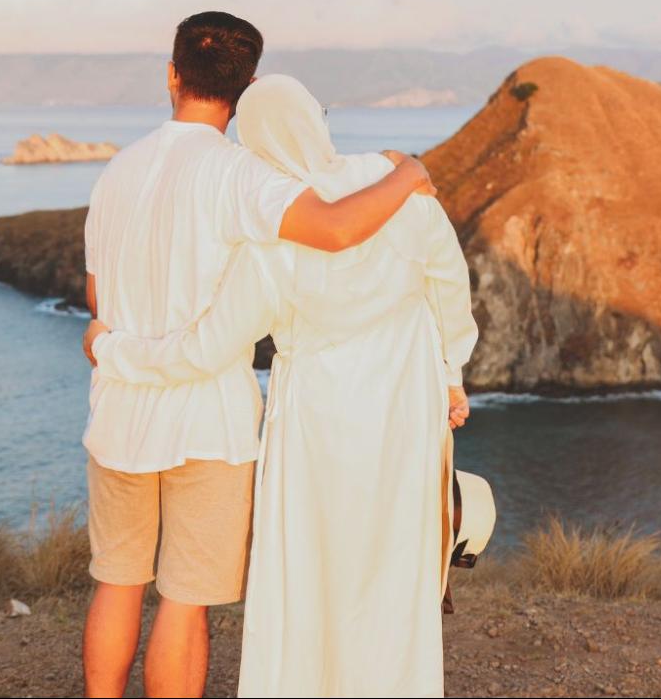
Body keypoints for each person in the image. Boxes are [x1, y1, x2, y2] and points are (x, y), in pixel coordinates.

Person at [87, 73, 478, 698]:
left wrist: (111, 349)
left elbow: (203, 349)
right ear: (316, 121)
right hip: (402, 408)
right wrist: (451, 376)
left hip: (315, 419)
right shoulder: (407, 200)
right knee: (391, 564)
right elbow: (450, 295)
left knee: (310, 568)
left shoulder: (269, 247)